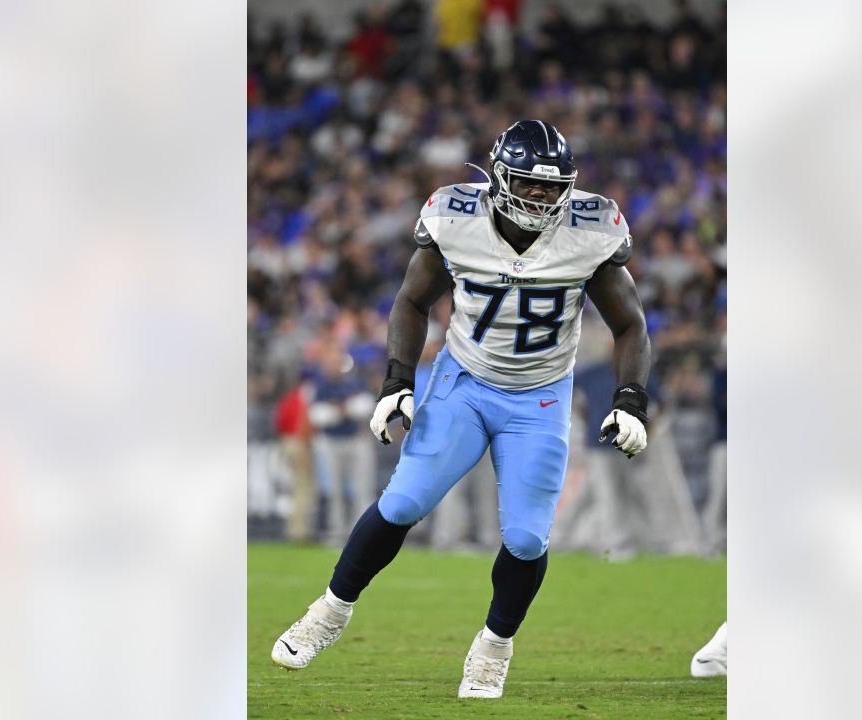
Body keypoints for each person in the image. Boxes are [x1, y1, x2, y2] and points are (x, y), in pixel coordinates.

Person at [270, 120, 651, 699]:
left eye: (554, 188)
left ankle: (494, 647)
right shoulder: (456, 217)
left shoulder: (590, 230)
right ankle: (329, 611)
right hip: (464, 384)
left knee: (526, 539)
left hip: (541, 395)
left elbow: (630, 325)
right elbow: (411, 300)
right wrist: (396, 381)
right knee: (403, 500)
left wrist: (631, 399)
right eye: (530, 184)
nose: (544, 198)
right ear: (498, 178)